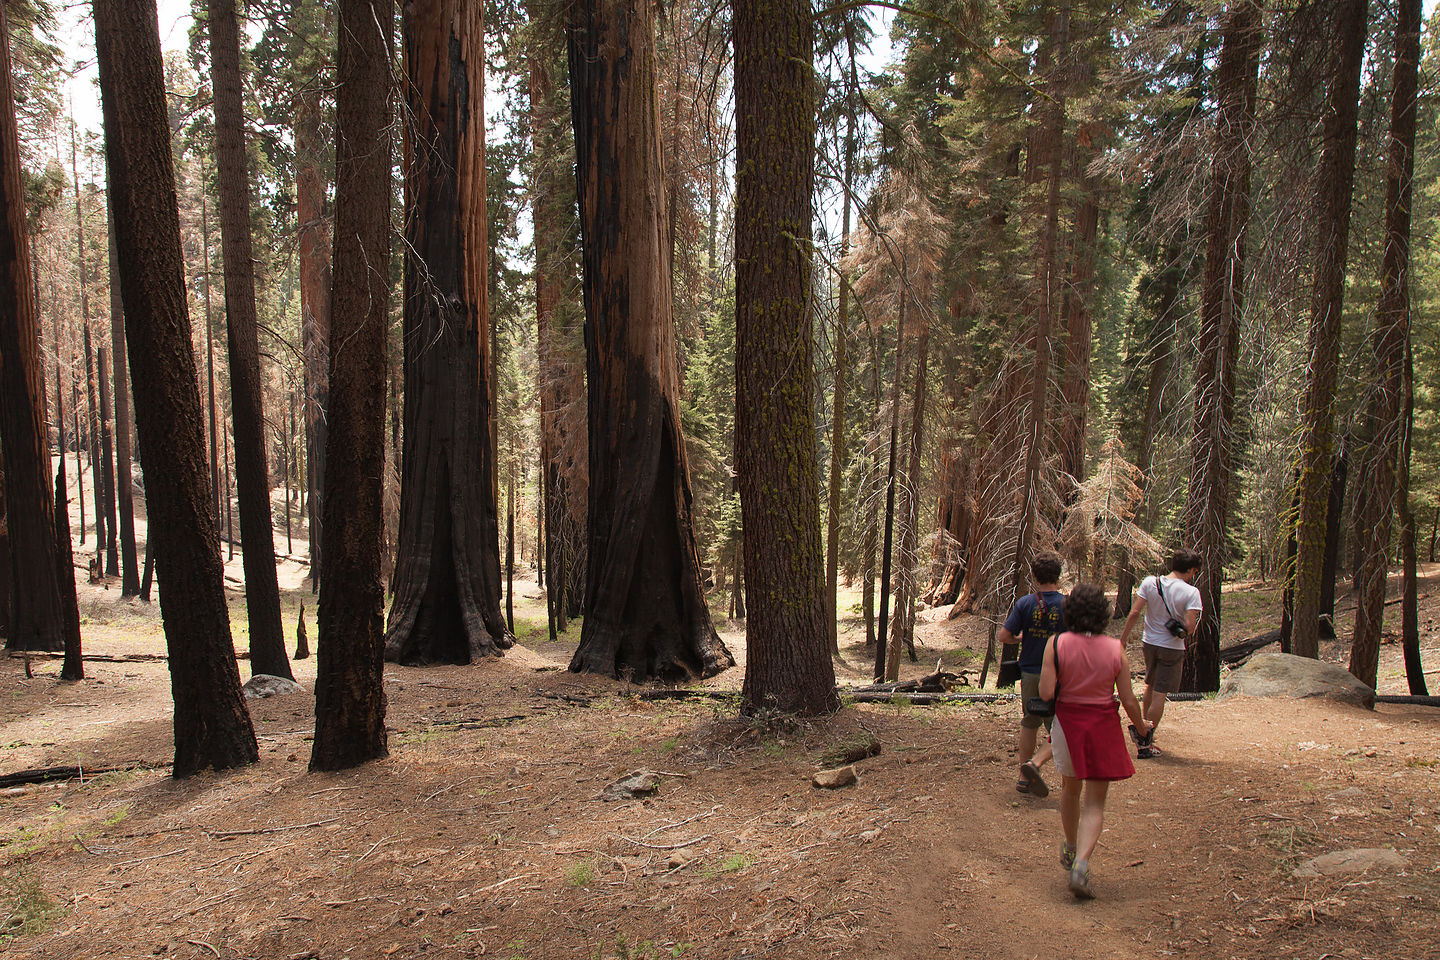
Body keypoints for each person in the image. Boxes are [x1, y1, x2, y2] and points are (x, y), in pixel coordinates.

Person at [1039, 582, 1150, 899]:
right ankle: (1082, 865)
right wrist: (1141, 726)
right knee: (1095, 803)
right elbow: (1128, 700)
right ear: (1103, 614)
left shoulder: (1056, 644)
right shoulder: (1116, 649)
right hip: (1102, 727)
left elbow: (1046, 693)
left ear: (1069, 613)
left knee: (1070, 789)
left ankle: (1071, 846)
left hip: (1067, 726)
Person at [1117, 549, 1203, 759]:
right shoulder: (1191, 593)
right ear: (1191, 570)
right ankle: (1146, 740)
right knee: (1159, 694)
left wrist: (1123, 639)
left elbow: (1135, 612)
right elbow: (1190, 628)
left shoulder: (1150, 582)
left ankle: (1143, 728)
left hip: (1149, 644)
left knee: (1151, 685)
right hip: (1171, 647)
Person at [997, 552, 1065, 798]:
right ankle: (1062, 774)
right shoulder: (1067, 604)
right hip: (1060, 675)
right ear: (1058, 576)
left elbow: (1003, 637)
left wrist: (1020, 637)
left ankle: (1024, 776)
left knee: (1029, 722)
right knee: (1061, 725)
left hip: (1030, 673)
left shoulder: (1025, 603)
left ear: (1034, 577)